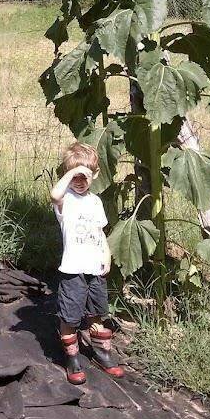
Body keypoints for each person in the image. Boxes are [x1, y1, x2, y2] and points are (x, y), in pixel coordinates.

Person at [50, 142, 124, 385]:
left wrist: (106, 254)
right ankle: (72, 359)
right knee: (70, 316)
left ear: (96, 175)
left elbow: (100, 232)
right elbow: (54, 194)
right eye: (74, 175)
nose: (80, 180)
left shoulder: (95, 202)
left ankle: (102, 354)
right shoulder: (65, 201)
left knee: (97, 313)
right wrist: (71, 172)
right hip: (73, 269)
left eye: (85, 176)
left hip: (94, 268)